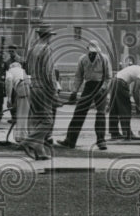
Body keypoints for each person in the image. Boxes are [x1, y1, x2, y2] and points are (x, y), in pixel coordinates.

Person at [58, 41, 112, 150]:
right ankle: (70, 140)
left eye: (95, 53)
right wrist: (74, 91)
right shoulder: (83, 59)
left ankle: (101, 141)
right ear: (87, 50)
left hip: (100, 85)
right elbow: (78, 76)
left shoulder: (104, 59)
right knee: (79, 112)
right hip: (88, 86)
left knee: (100, 114)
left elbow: (108, 77)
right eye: (91, 52)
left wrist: (102, 89)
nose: (93, 54)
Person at [22, 26, 60, 160]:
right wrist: (54, 90)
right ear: (48, 36)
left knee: (39, 119)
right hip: (43, 88)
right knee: (48, 121)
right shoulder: (46, 49)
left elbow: (26, 69)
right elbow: (49, 72)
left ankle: (40, 150)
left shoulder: (32, 49)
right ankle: (30, 141)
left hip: (33, 86)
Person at [108, 61, 140, 140]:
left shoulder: (139, 69)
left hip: (114, 81)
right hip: (120, 83)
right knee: (125, 108)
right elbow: (135, 91)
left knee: (114, 109)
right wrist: (138, 106)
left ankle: (114, 132)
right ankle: (127, 133)